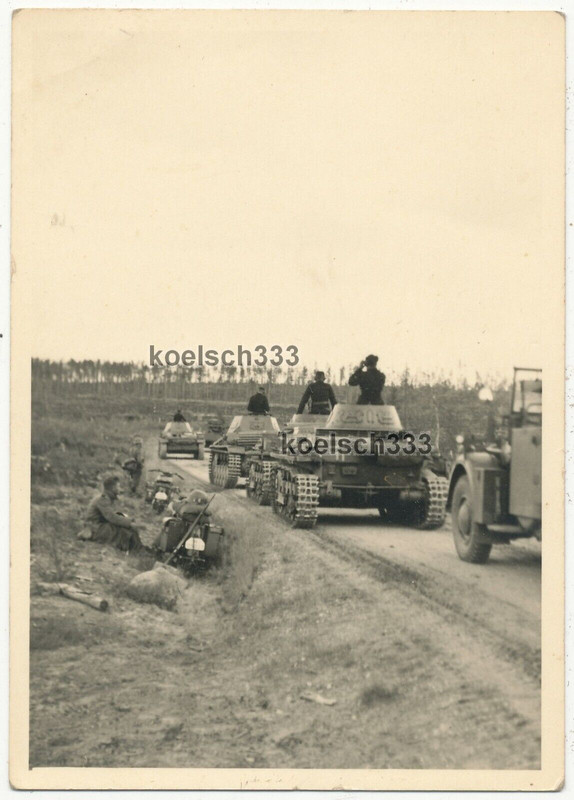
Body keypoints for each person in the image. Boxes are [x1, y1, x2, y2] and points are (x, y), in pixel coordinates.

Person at [84, 474, 146, 553]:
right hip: (94, 529)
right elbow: (111, 517)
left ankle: (139, 548)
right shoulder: (103, 499)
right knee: (122, 532)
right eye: (118, 486)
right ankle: (138, 550)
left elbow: (112, 515)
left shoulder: (107, 498)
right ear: (113, 488)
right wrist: (130, 523)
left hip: (98, 526)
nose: (120, 489)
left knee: (125, 528)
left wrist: (129, 521)